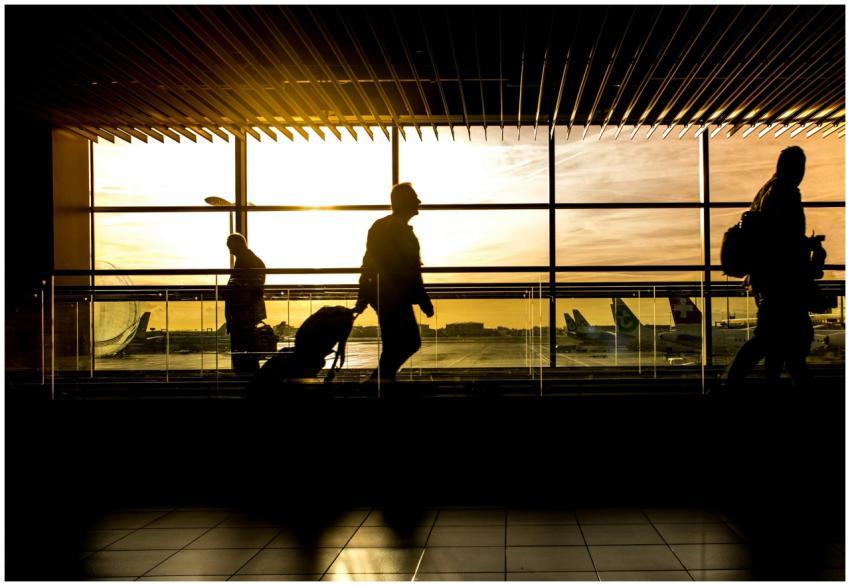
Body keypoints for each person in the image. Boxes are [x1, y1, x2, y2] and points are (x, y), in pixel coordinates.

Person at [725, 146, 814, 391]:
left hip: (765, 279)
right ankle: (732, 385)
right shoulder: (786, 192)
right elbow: (784, 238)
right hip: (781, 280)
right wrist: (806, 246)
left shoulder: (765, 191)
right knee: (779, 341)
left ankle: (749, 385)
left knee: (775, 341)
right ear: (796, 168)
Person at [354, 183, 434, 381]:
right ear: (404, 202)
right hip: (393, 295)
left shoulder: (384, 226)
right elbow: (408, 270)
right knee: (409, 342)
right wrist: (423, 299)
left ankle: (381, 383)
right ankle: (379, 382)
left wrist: (363, 295)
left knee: (395, 344)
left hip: (385, 294)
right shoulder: (396, 230)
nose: (419, 201)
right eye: (414, 197)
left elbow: (369, 263)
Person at [223, 233, 267, 374]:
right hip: (246, 314)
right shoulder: (251, 261)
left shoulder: (247, 262)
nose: (230, 251)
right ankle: (248, 379)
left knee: (243, 352)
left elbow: (249, 290)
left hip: (243, 314)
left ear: (239, 244)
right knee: (248, 353)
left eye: (231, 247)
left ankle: (246, 380)